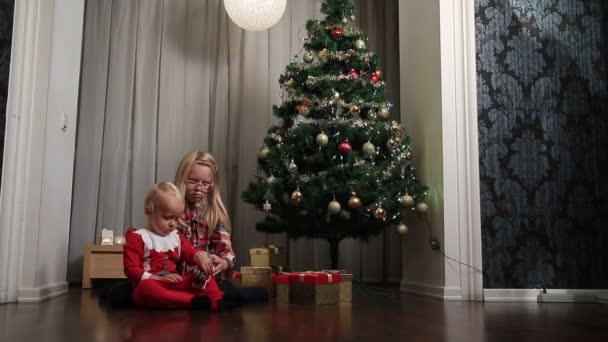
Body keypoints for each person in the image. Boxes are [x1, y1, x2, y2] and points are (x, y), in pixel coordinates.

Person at [123, 182, 231, 310]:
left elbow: (190, 252)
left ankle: (217, 301)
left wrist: (199, 256)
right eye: (168, 218)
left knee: (204, 279)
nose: (173, 224)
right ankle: (192, 301)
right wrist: (156, 278)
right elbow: (131, 269)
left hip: (174, 282)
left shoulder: (175, 236)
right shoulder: (137, 237)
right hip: (154, 283)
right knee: (146, 289)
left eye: (177, 219)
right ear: (149, 211)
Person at [174, 151, 236, 279]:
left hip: (204, 279)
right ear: (182, 179)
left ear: (212, 186)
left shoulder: (212, 213)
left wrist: (224, 263)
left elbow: (226, 249)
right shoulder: (173, 211)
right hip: (177, 276)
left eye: (205, 183)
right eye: (192, 181)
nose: (199, 188)